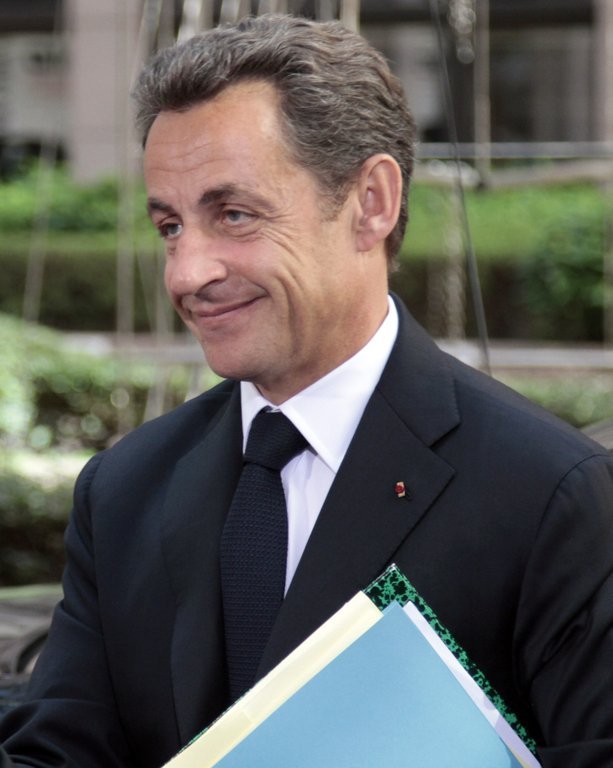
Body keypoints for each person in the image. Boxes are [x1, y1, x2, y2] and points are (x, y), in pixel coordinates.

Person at [2, 13, 613, 767]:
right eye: (170, 227)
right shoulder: (124, 490)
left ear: (371, 202)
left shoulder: (551, 495)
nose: (187, 273)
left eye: (233, 215)